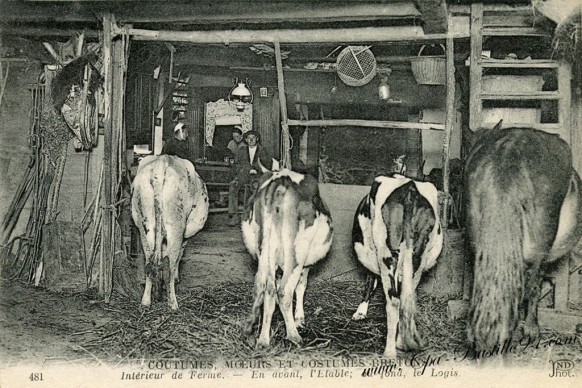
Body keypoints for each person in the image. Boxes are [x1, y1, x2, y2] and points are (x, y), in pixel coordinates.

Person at [228, 130, 276, 226]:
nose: (251, 140)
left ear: (257, 139)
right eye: (248, 138)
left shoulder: (263, 151)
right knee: (233, 186)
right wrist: (244, 171)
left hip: (257, 177)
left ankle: (253, 216)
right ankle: (234, 216)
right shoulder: (242, 150)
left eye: (253, 138)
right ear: (245, 140)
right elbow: (236, 165)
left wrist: (256, 169)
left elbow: (267, 165)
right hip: (243, 176)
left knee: (254, 189)